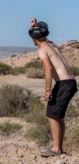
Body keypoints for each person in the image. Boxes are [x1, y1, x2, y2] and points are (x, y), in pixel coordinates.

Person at [28, 19, 78, 157]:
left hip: (63, 84)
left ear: (34, 38)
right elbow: (41, 36)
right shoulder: (51, 45)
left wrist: (47, 89)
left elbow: (48, 69)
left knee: (52, 116)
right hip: (70, 82)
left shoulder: (42, 50)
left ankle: (56, 149)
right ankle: (58, 147)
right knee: (58, 116)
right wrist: (34, 26)